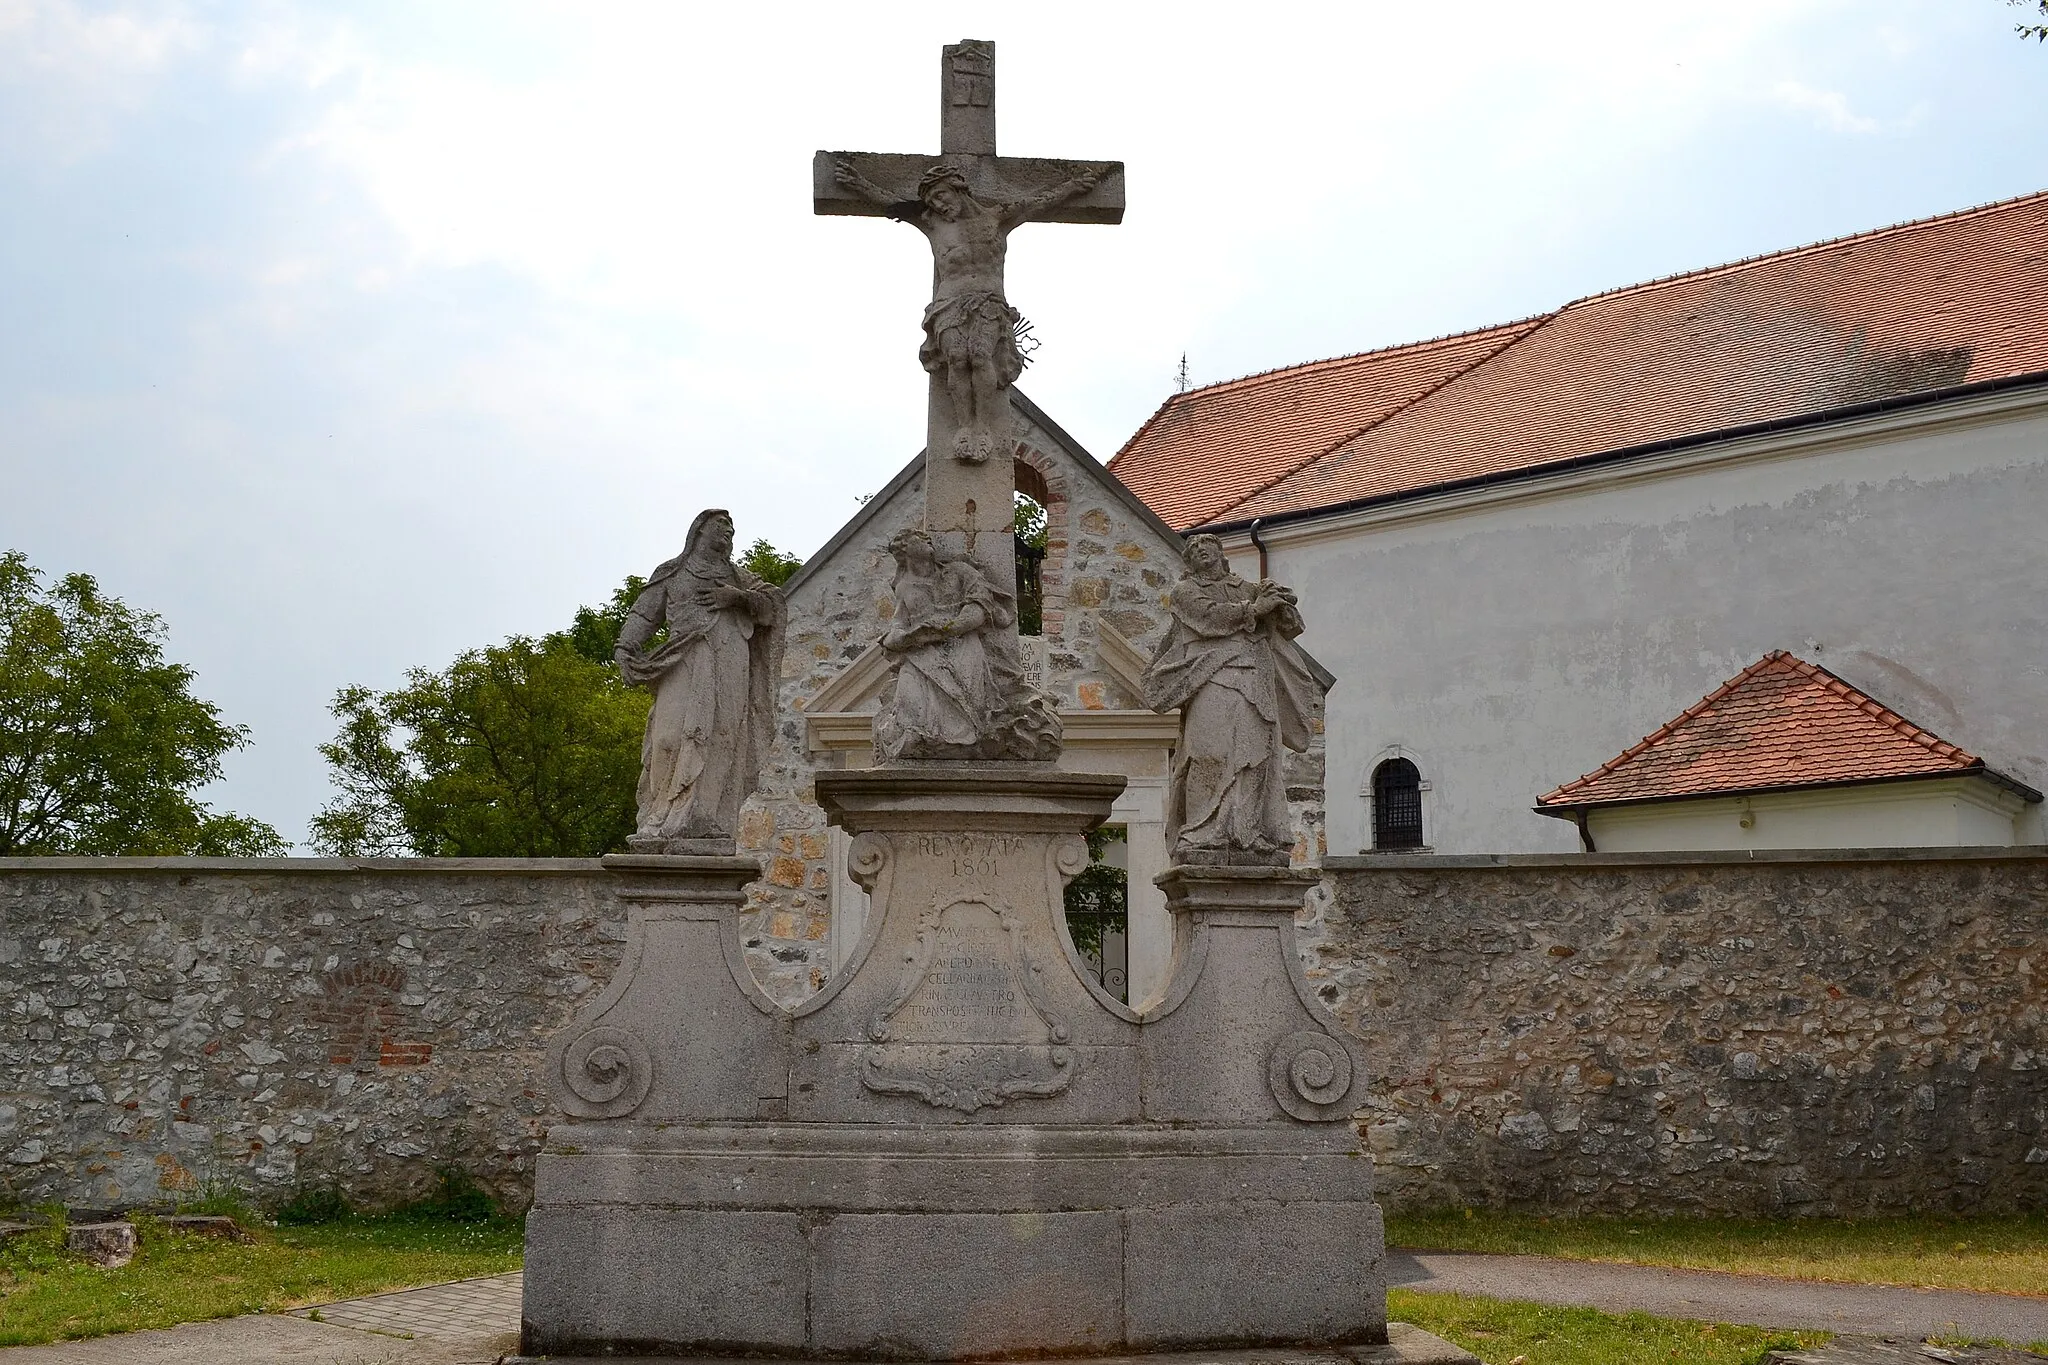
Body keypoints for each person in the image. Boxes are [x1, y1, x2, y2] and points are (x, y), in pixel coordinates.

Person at [833, 157, 1103, 463]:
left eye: (941, 196)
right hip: (948, 304)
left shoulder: (997, 217)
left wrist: (1074, 187)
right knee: (957, 359)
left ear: (957, 188)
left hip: (987, 302)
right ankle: (964, 425)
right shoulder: (932, 223)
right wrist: (858, 184)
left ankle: (982, 425)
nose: (938, 205)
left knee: (979, 355)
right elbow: (892, 205)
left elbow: (1039, 203)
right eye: (932, 201)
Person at [1141, 535, 1323, 865]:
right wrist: (1254, 609)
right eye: (1193, 549)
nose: (1201, 551)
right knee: (1207, 752)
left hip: (1254, 679)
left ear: (1221, 553)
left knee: (1255, 758)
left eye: (1207, 545)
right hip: (1209, 677)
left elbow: (1290, 627)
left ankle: (1249, 832)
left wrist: (1279, 602)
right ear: (1188, 561)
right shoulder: (1185, 592)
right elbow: (1208, 618)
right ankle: (1200, 831)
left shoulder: (1246, 588)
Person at [614, 510, 785, 850]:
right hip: (683, 658)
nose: (729, 531)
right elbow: (644, 613)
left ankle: (708, 817)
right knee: (669, 736)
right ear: (699, 529)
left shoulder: (739, 578)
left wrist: (738, 598)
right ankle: (659, 816)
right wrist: (625, 646)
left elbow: (774, 606)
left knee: (724, 734)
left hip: (730, 659)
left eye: (732, 528)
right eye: (721, 525)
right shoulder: (673, 573)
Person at [872, 529, 1011, 761]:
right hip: (921, 653)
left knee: (967, 702)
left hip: (962, 643)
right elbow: (898, 623)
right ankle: (919, 740)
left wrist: (946, 629)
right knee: (909, 704)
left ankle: (966, 741)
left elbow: (979, 608)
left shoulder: (959, 572)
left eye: (926, 537)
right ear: (904, 550)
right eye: (918, 537)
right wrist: (899, 638)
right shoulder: (904, 587)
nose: (926, 539)